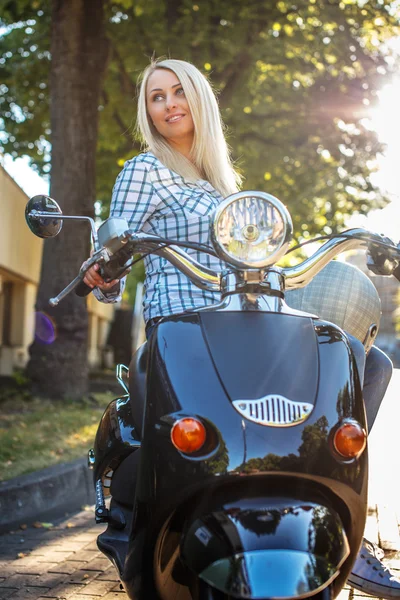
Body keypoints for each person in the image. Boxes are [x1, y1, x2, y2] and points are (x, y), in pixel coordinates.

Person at [84, 58, 398, 598]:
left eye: (179, 92)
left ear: (201, 100)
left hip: (250, 322)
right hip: (186, 329)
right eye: (156, 97)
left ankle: (343, 521)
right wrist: (105, 269)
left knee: (365, 360)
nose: (168, 104)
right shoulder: (144, 170)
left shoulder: (224, 186)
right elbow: (113, 253)